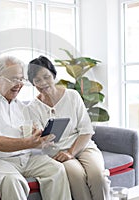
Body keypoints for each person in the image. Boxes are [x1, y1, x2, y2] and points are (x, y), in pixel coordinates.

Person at [0, 56, 71, 200]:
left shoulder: (19, 106)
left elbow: (30, 132)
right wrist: (29, 143)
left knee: (56, 169)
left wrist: (39, 137)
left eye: (21, 79)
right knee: (13, 180)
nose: (19, 84)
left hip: (23, 159)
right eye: (14, 79)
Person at [27, 55, 111, 200]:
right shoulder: (32, 108)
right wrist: (40, 138)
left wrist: (71, 152)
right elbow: (40, 140)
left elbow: (86, 131)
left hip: (83, 147)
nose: (43, 83)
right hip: (58, 153)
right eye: (37, 80)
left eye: (47, 77)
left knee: (98, 177)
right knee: (77, 176)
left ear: (53, 75)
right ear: (33, 83)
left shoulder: (72, 96)